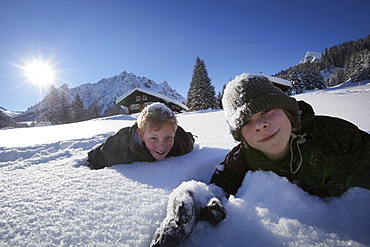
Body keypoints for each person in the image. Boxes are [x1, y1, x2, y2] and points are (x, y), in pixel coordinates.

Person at [150, 73, 370, 247]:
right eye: (246, 121)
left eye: (267, 110)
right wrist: (192, 198)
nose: (260, 125)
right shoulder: (243, 157)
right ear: (240, 135)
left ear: (287, 110)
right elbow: (216, 188)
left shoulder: (335, 135)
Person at [87, 102, 195, 169]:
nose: (162, 146)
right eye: (153, 138)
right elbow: (94, 158)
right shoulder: (118, 148)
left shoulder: (182, 142)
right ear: (141, 136)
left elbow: (190, 139)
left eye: (168, 138)